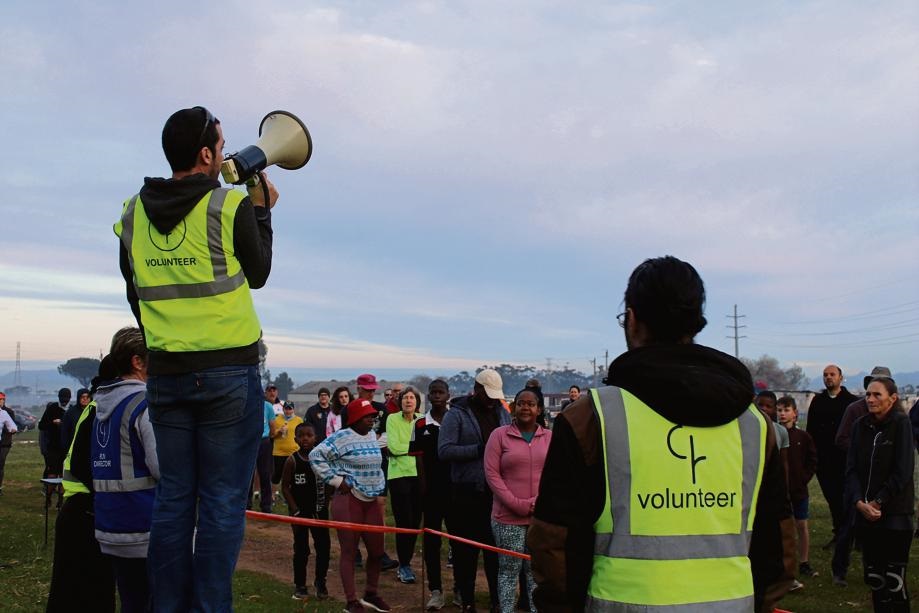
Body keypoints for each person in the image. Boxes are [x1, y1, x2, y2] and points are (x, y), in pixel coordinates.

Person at [528, 256, 792, 612]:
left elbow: (554, 545)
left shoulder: (592, 418)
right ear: (695, 323)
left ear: (632, 319)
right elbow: (777, 544)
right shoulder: (755, 426)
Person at [114, 106, 279, 612]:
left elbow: (134, 292)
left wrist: (166, 341)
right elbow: (259, 273)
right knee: (224, 503)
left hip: (166, 374)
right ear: (206, 154)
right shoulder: (227, 207)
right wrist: (262, 208)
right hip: (229, 373)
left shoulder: (131, 213)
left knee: (174, 500)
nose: (226, 153)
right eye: (222, 144)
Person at [91, 327, 159, 613]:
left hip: (112, 524)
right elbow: (163, 467)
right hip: (146, 524)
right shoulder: (145, 403)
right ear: (137, 361)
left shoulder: (102, 405)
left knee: (131, 602)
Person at [47, 356, 117, 613]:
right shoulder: (103, 408)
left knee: (75, 590)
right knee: (85, 592)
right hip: (85, 510)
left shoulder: (97, 405)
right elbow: (80, 463)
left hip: (80, 507)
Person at [439, 368, 511, 612]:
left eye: (495, 396)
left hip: (496, 494)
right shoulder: (456, 415)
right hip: (466, 492)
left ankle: (496, 600)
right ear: (476, 389)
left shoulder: (502, 412)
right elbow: (445, 450)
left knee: (495, 552)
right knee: (465, 552)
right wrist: (479, 450)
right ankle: (467, 601)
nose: (492, 400)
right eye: (488, 394)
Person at [310, 398, 391, 613]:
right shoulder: (341, 437)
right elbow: (315, 456)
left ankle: (371, 594)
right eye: (368, 416)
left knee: (377, 551)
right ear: (355, 418)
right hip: (349, 500)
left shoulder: (373, 435)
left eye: (373, 415)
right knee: (349, 550)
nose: (372, 419)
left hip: (371, 500)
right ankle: (351, 601)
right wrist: (337, 481)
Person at [845, 378, 914, 612]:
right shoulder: (859, 426)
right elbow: (851, 469)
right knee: (875, 578)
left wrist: (878, 501)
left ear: (892, 398)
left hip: (895, 515)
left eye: (877, 395)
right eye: (868, 394)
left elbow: (903, 470)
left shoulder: (901, 424)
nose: (870, 399)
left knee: (894, 581)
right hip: (865, 515)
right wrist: (858, 502)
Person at [484, 388, 552, 613]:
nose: (525, 407)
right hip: (507, 517)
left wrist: (536, 503)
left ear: (539, 409)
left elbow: (555, 474)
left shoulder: (549, 438)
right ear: (514, 408)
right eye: (521, 403)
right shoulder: (499, 435)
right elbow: (492, 475)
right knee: (508, 570)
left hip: (539, 517)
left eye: (531, 404)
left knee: (534, 572)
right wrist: (517, 504)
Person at [833, 366, 895, 585]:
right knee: (848, 527)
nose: (873, 397)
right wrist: (864, 451)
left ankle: (875, 571)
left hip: (883, 481)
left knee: (880, 530)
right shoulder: (855, 410)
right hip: (858, 478)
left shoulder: (897, 416)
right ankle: (839, 570)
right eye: (871, 391)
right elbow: (841, 439)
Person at [410, 379, 456, 610]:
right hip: (431, 493)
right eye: (433, 392)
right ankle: (436, 591)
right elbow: (418, 458)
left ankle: (461, 588)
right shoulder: (419, 425)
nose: (437, 396)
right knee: (431, 542)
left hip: (456, 491)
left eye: (441, 392)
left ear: (448, 395)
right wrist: (423, 485)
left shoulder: (456, 420)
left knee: (459, 540)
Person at [806, 364, 858, 548]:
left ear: (841, 377)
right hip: (824, 461)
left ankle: (853, 535)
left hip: (846, 460)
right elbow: (810, 431)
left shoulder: (852, 402)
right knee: (832, 499)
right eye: (825, 375)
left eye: (832, 374)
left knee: (849, 499)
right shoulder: (818, 401)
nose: (828, 377)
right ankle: (839, 533)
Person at [281, 423, 330, 600]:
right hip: (300, 513)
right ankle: (300, 585)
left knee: (323, 547)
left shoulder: (322, 459)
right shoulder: (292, 460)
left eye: (309, 435)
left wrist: (326, 502)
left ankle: (320, 582)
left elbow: (330, 480)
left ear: (315, 438)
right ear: (295, 439)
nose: (305, 439)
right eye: (301, 436)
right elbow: (285, 487)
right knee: (301, 549)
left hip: (319, 511)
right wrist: (294, 509)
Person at [776, 396, 818, 587]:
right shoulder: (773, 435)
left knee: (801, 526)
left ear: (794, 413)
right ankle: (782, 563)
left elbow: (812, 460)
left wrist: (803, 479)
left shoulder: (803, 437)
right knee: (782, 528)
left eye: (786, 410)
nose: (782, 414)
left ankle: (804, 561)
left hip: (799, 491)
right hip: (779, 491)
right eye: (779, 410)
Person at [384, 387, 424, 584]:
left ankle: (406, 560)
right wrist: (416, 450)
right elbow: (393, 446)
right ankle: (404, 565)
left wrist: (409, 450)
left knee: (415, 521)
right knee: (404, 521)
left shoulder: (422, 420)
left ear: (417, 402)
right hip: (398, 475)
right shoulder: (392, 419)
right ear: (400, 402)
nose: (408, 401)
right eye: (405, 398)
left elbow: (427, 447)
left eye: (412, 398)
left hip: (420, 474)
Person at [249, 386, 278, 512]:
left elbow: (273, 426)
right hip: (251, 441)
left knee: (265, 473)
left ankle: (266, 505)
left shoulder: (268, 406)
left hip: (263, 441)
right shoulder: (249, 405)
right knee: (250, 473)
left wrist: (270, 437)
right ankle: (247, 503)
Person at [272, 401, 304, 496]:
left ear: (293, 410)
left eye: (290, 409)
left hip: (293, 452)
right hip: (279, 452)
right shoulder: (277, 419)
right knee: (277, 475)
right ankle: (273, 495)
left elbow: (302, 434)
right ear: (283, 409)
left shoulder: (299, 420)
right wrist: (279, 431)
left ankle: (292, 494)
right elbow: (272, 434)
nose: (288, 411)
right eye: (286, 408)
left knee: (293, 476)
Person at [39, 388, 70, 479]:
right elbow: (41, 426)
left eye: (66, 400)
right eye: (62, 400)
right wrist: (52, 423)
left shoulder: (72, 410)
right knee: (52, 471)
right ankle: (49, 492)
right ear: (58, 398)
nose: (64, 402)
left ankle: (62, 492)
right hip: (53, 446)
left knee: (63, 472)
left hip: (66, 447)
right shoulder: (52, 408)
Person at [60, 388, 91, 453]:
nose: (85, 399)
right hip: (74, 448)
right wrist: (66, 448)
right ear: (78, 398)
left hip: (90, 447)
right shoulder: (70, 412)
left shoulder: (94, 411)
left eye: (87, 397)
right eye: (83, 397)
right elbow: (65, 432)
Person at [0, 392, 18, 495]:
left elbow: (12, 426)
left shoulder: (8, 412)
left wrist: (12, 430)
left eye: (1, 400)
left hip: (5, 443)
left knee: (0, 464)